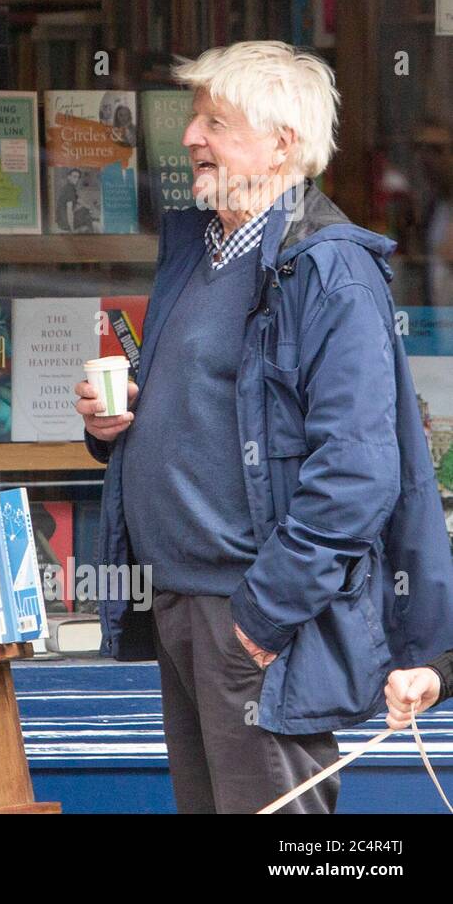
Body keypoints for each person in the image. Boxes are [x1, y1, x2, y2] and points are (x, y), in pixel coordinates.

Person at [77, 40, 453, 814]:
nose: (190, 136)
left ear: (282, 143)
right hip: (183, 603)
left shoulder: (328, 269)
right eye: (194, 119)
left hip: (251, 618)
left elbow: (357, 473)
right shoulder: (198, 248)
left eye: (215, 121)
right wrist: (113, 423)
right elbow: (205, 409)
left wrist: (261, 618)